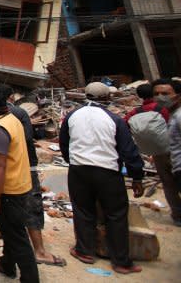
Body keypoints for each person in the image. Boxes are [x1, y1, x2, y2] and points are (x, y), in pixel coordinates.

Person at [59, 82, 144, 275]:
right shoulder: (114, 119)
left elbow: (64, 143)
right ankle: (121, 261)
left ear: (86, 96)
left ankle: (84, 250)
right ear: (107, 98)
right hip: (108, 172)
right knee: (116, 215)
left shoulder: (72, 116)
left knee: (82, 210)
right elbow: (128, 151)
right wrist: (136, 176)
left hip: (79, 170)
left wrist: (72, 161)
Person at [0, 85, 66, 267]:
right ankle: (38, 251)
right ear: (11, 97)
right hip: (23, 167)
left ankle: (8, 259)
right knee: (31, 207)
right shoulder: (19, 113)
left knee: (6, 209)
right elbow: (26, 138)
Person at [0, 86, 39, 282]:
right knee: (10, 231)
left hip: (7, 191)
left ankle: (30, 278)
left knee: (17, 237)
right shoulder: (11, 119)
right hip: (18, 185)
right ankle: (7, 264)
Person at [150, 78, 181, 225]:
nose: (160, 97)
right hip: (167, 158)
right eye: (156, 94)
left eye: (165, 93)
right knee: (169, 186)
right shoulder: (166, 113)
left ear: (177, 95)